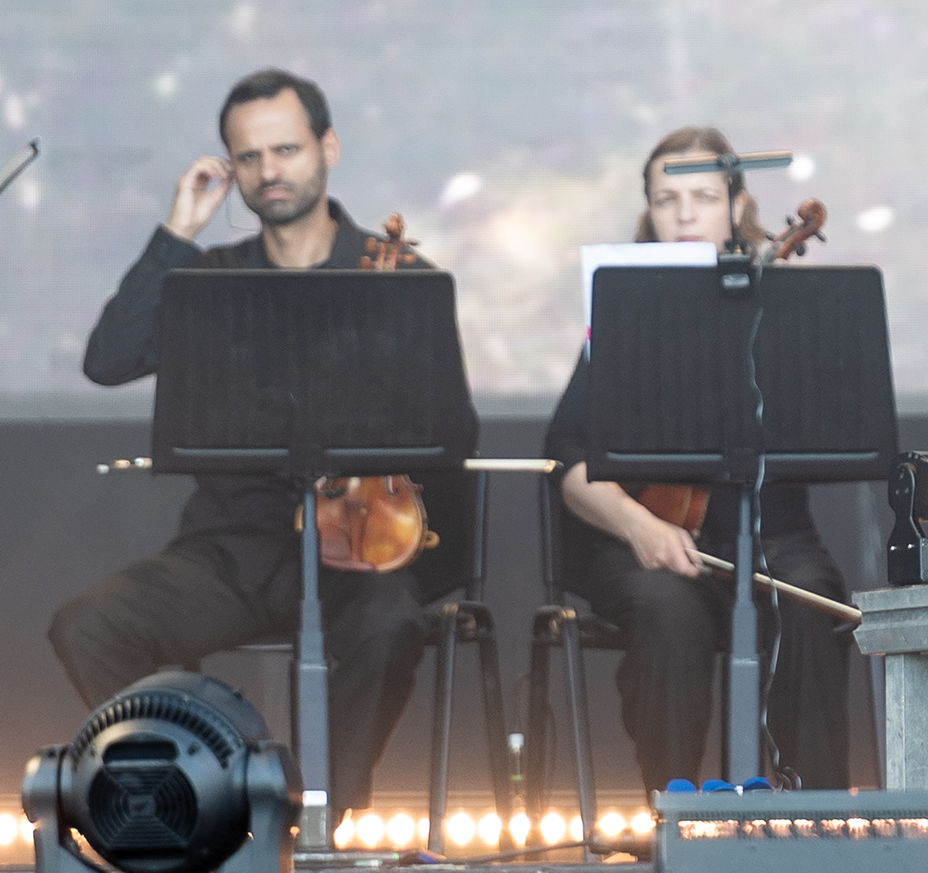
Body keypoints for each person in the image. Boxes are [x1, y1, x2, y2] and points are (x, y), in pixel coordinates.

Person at [48, 68, 459, 815]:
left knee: (390, 622)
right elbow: (108, 361)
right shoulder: (210, 280)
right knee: (89, 624)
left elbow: (451, 431)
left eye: (287, 150)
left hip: (353, 552)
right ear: (230, 168)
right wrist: (177, 233)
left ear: (327, 147)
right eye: (248, 157)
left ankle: (322, 816)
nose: (269, 172)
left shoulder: (396, 275)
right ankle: (199, 797)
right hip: (230, 547)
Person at [544, 125, 852, 790]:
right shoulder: (624, 306)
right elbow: (566, 454)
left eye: (704, 197)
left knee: (813, 603)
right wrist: (638, 525)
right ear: (648, 212)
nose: (684, 214)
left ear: (738, 206)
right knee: (667, 610)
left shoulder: (779, 304)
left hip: (773, 533)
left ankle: (817, 813)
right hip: (648, 539)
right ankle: (676, 812)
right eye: (666, 199)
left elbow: (832, 428)